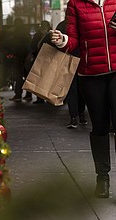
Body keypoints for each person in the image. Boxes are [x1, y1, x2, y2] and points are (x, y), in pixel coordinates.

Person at [50, 0, 116, 198]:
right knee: (100, 128)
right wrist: (62, 40)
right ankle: (102, 178)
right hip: (91, 76)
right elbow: (73, 40)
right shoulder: (75, 4)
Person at [56, 19, 87, 129]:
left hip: (68, 60)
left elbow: (54, 43)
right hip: (83, 60)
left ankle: (73, 117)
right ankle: (82, 115)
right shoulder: (83, 22)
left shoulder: (62, 25)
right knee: (81, 89)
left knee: (71, 89)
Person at [8, 18, 31, 102]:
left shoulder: (16, 33)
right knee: (27, 75)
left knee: (18, 76)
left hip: (18, 56)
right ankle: (28, 94)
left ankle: (18, 94)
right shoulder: (26, 32)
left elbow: (15, 44)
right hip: (26, 55)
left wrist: (13, 53)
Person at [30, 20, 52, 104]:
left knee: (39, 79)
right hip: (49, 58)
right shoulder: (51, 34)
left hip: (39, 58)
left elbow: (33, 45)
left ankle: (40, 98)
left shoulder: (38, 35)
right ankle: (47, 97)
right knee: (48, 79)